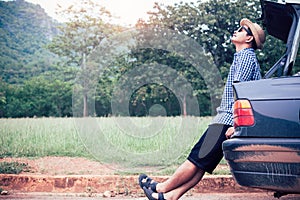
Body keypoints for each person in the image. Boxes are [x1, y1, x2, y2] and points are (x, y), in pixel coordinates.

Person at [138, 18, 266, 200]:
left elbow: (242, 92)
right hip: (227, 120)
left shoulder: (246, 57)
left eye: (242, 29)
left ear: (249, 39)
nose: (236, 30)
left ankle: (160, 187)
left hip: (227, 121)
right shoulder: (242, 57)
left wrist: (236, 125)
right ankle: (170, 197)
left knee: (194, 159)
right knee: (201, 164)